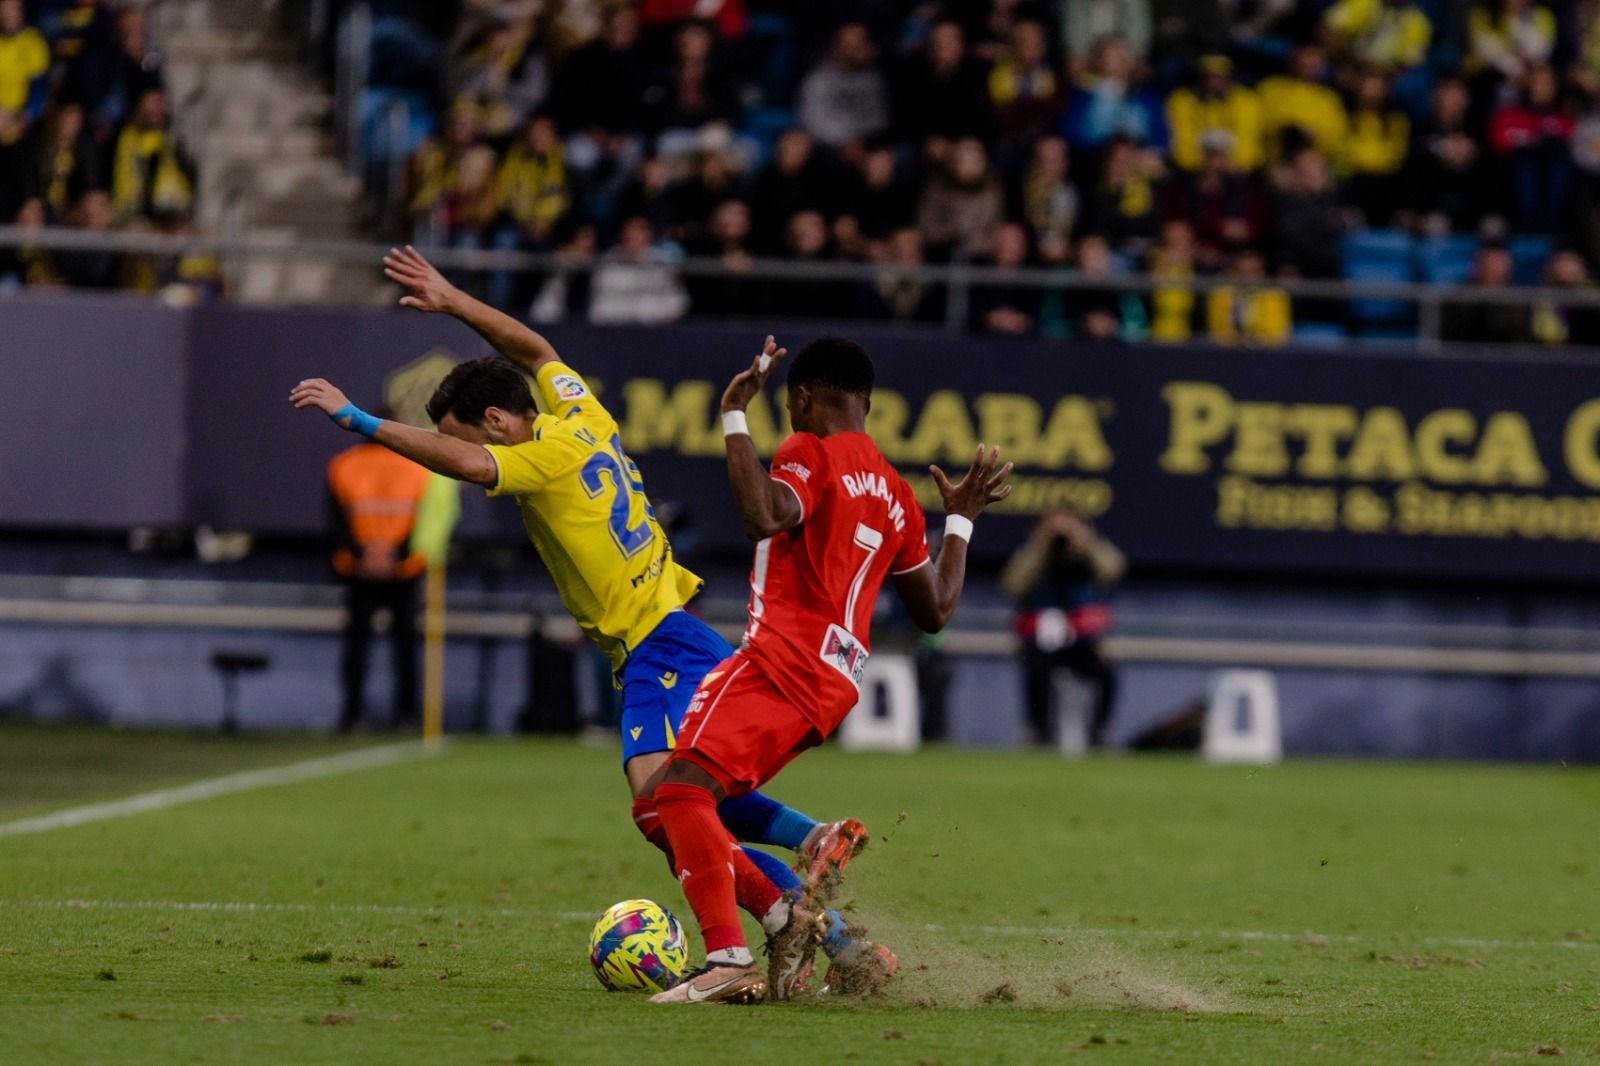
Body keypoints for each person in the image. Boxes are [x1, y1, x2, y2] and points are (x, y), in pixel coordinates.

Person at [291, 247, 896, 994]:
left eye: (463, 433)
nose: (461, 449)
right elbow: (537, 348)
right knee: (695, 798)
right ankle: (829, 907)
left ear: (496, 420)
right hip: (673, 629)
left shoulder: (537, 454)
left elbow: (475, 465)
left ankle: (763, 934)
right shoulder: (583, 412)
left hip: (657, 640)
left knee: (662, 808)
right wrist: (453, 301)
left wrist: (358, 418)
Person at [646, 335, 1013, 1004]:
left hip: (779, 658)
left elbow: (765, 514)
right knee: (699, 796)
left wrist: (733, 418)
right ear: (866, 405)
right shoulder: (898, 495)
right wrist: (958, 522)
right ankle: (811, 878)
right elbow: (934, 609)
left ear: (804, 397)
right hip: (834, 685)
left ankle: (728, 958)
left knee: (676, 794)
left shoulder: (807, 452)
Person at [326, 430, 429, 732]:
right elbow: (426, 520)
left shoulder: (344, 464)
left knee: (357, 645)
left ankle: (352, 715)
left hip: (360, 570)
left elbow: (334, 521)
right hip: (404, 569)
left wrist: (364, 554)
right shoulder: (419, 467)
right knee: (406, 647)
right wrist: (395, 554)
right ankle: (407, 716)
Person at [1000, 510, 1126, 748]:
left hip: (1081, 641)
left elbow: (1114, 569)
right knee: (1037, 672)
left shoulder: (1086, 552)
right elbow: (1012, 584)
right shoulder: (1036, 553)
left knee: (1107, 673)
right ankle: (1038, 731)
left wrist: (1085, 542)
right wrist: (1041, 545)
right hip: (1040, 640)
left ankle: (1097, 733)